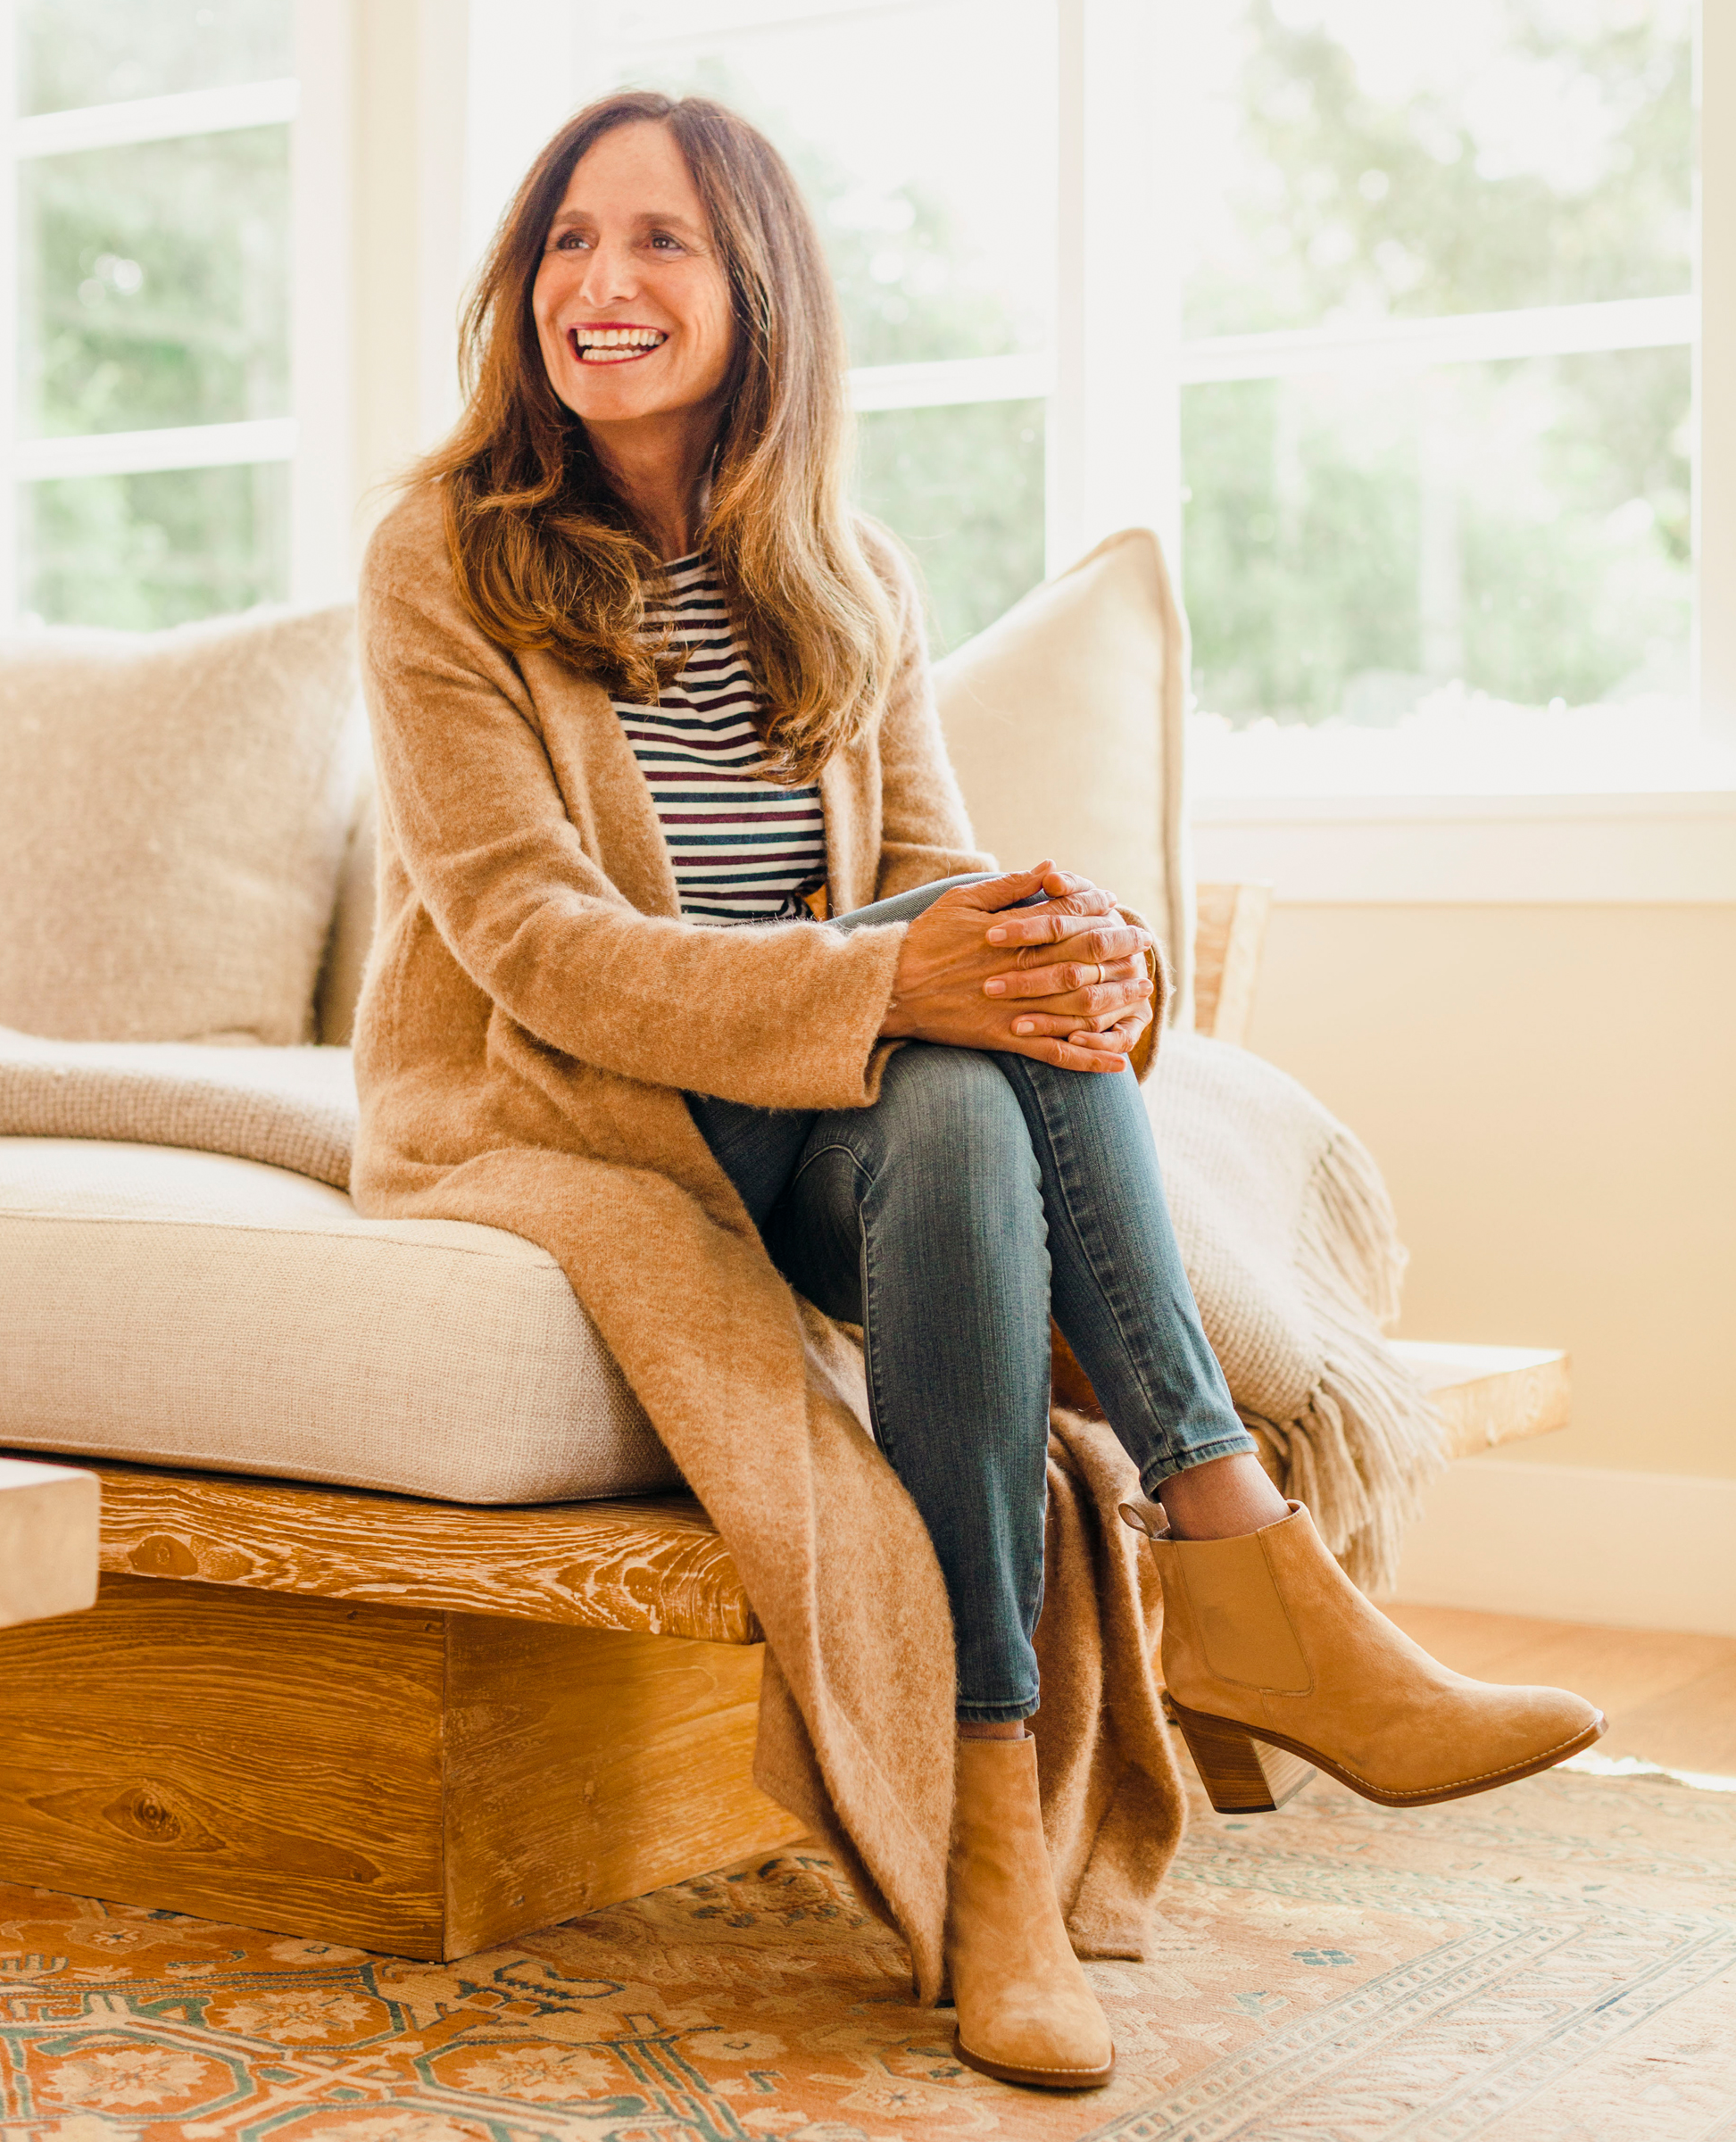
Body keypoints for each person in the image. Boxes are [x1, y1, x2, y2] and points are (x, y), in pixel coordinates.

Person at [354, 90, 1604, 2093]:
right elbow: (529, 942)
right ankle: (1225, 1574)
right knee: (949, 999)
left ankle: (998, 1810)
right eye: (569, 241)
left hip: (824, 1110)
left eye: (659, 240)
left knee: (968, 1048)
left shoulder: (839, 567)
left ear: (756, 289)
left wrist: (1071, 955)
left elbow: (933, 877)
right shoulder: (447, 558)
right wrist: (920, 963)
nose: (601, 282)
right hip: (576, 1103)